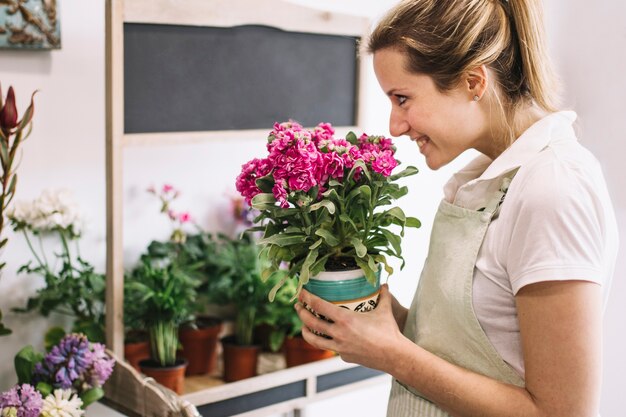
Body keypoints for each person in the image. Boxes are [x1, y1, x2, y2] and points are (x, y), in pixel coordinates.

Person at [294, 0, 619, 416]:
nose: (394, 125)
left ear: (472, 82)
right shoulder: (486, 179)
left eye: (402, 98)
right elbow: (482, 350)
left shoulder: (553, 189)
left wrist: (393, 354)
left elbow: (562, 412)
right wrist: (387, 320)